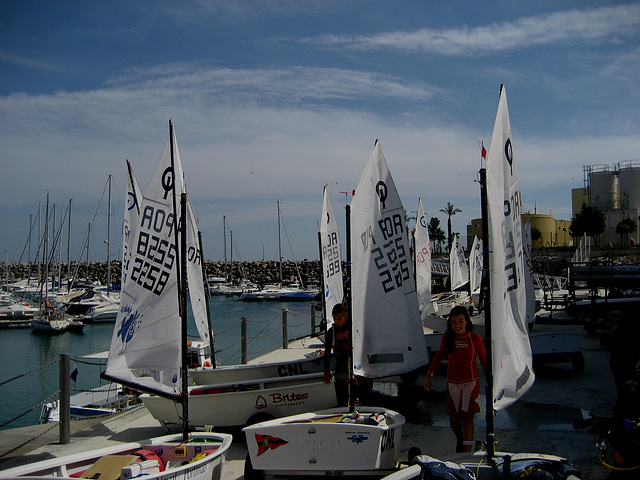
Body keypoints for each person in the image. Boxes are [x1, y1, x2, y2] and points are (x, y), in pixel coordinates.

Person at [423, 305, 487, 452]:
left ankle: (466, 452)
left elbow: (484, 361)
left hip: (470, 383)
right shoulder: (448, 336)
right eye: (454, 322)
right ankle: (461, 441)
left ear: (466, 322)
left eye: (460, 321)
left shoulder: (475, 338)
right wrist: (429, 374)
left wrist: (492, 382)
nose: (457, 325)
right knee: (453, 421)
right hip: (453, 383)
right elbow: (438, 356)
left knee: (467, 418)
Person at [323, 303, 350, 407]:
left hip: (355, 366)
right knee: (342, 395)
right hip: (341, 366)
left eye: (339, 318)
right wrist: (326, 370)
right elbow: (327, 353)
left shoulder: (352, 328)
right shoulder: (331, 332)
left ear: (345, 317)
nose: (336, 321)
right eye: (334, 318)